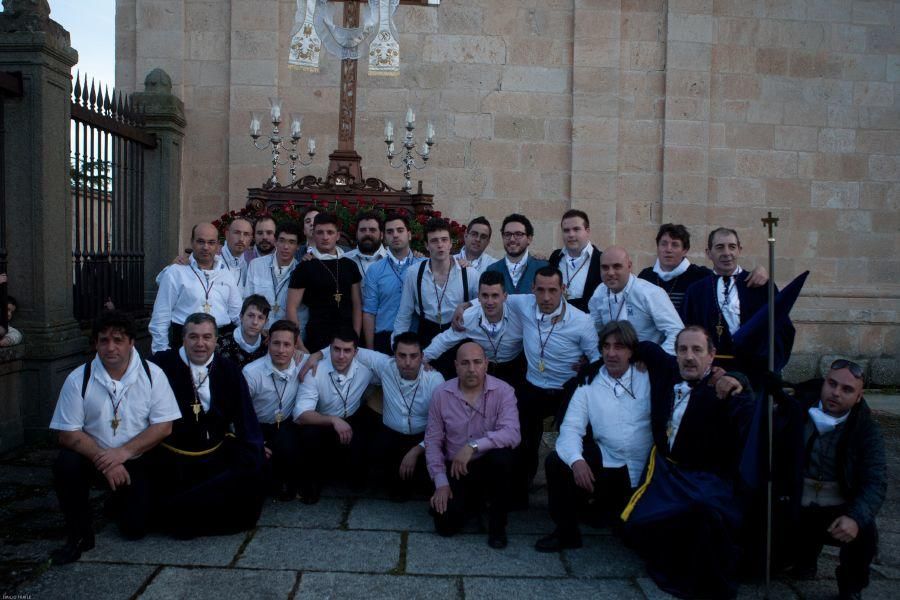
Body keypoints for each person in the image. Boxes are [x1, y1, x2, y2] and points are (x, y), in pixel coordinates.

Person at [621, 326, 756, 599]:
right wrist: (589, 369)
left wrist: (738, 380)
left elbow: (746, 405)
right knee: (633, 530)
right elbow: (639, 346)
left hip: (704, 478)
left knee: (700, 524)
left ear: (712, 355)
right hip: (666, 473)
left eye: (697, 350)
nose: (689, 357)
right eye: (683, 349)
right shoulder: (667, 370)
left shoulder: (721, 387)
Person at [453, 265, 601, 506]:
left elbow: (596, 359)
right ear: (532, 289)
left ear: (563, 290)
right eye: (540, 290)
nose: (545, 297)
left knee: (571, 440)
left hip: (567, 389)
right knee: (522, 442)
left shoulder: (582, 322)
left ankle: (574, 499)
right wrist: (465, 306)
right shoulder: (523, 303)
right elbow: (493, 296)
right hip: (533, 386)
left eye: (552, 290)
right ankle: (517, 495)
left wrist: (585, 368)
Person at [49, 311, 180, 564]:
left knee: (135, 529)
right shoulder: (79, 379)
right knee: (66, 463)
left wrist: (123, 454)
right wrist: (106, 459)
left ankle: (119, 502)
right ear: (95, 343)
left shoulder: (153, 375)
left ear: (131, 342)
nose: (110, 347)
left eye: (118, 340)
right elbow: (67, 433)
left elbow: (164, 426)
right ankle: (79, 533)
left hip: (136, 458)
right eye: (103, 340)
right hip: (93, 457)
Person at [536, 321, 652, 552]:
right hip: (609, 464)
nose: (611, 353)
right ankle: (567, 533)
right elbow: (570, 428)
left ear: (631, 350)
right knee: (557, 462)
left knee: (636, 541)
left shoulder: (648, 376)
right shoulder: (588, 384)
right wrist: (576, 461)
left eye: (619, 346)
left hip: (647, 474)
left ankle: (611, 512)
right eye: (606, 346)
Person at [148, 313, 265, 538]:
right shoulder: (161, 365)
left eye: (207, 337)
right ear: (182, 339)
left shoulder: (229, 370)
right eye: (193, 337)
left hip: (214, 453)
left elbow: (245, 417)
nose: (200, 344)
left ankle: (186, 517)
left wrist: (254, 448)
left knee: (251, 473)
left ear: (216, 340)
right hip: (173, 458)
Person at [784, 360, 885, 600]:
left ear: (859, 397)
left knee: (864, 532)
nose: (836, 393)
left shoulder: (866, 430)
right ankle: (803, 557)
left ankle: (851, 587)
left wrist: (855, 517)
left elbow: (876, 482)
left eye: (847, 389)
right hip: (795, 505)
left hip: (837, 510)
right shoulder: (797, 411)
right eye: (832, 384)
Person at [305, 331, 445, 500]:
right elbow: (348, 347)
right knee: (397, 495)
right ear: (394, 355)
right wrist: (317, 354)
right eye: (402, 355)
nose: (407, 362)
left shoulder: (435, 380)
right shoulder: (386, 365)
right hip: (392, 437)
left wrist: (416, 450)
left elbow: (440, 426)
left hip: (423, 440)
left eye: (414, 356)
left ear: (422, 357)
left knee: (423, 487)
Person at [425, 342, 520, 549]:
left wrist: (473, 446)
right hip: (457, 469)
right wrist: (440, 482)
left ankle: (497, 526)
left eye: (477, 362)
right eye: (465, 363)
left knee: (503, 457)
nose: (471, 369)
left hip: (489, 465)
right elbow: (432, 442)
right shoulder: (441, 394)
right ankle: (470, 505)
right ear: (456, 365)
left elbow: (512, 433)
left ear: (486, 363)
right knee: (445, 527)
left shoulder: (503, 391)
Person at [680, 227, 792, 373]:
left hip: (753, 370)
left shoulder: (761, 286)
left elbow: (781, 328)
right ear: (708, 253)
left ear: (739, 249)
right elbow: (687, 330)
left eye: (732, 247)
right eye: (720, 247)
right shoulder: (696, 291)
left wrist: (770, 366)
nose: (727, 253)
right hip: (710, 370)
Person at [293, 329, 379, 504]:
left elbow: (395, 368)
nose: (341, 356)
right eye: (336, 349)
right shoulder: (314, 370)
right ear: (329, 349)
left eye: (347, 350)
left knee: (370, 427)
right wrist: (333, 420)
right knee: (309, 434)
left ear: (356, 352)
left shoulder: (366, 370)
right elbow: (300, 414)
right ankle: (312, 482)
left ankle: (354, 474)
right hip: (322, 422)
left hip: (352, 420)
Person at [149, 222, 242, 354]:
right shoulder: (176, 272)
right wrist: (160, 351)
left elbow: (237, 314)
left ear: (218, 246)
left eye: (211, 242)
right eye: (200, 241)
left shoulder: (226, 274)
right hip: (185, 341)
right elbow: (161, 315)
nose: (206, 247)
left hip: (221, 344)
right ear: (192, 242)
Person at [242, 320, 309, 501]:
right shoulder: (251, 373)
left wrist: (315, 356)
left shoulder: (303, 364)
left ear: (295, 346)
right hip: (258, 427)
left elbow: (327, 356)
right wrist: (254, 442)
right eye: (276, 343)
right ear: (268, 342)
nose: (281, 350)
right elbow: (240, 413)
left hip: (285, 425)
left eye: (287, 345)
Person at [638, 224, 768, 313]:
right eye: (664, 244)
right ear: (657, 247)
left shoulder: (701, 276)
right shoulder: (645, 276)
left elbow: (729, 274)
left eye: (675, 245)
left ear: (685, 250)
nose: (668, 250)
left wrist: (760, 270)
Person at [424, 270, 524, 384]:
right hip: (483, 369)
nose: (490, 302)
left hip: (514, 366)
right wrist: (422, 359)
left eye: (495, 296)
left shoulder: (520, 315)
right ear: (478, 297)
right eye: (485, 296)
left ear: (505, 296)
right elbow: (444, 340)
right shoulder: (467, 317)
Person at [393, 218, 478, 350]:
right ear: (427, 245)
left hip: (459, 335)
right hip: (426, 336)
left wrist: (466, 305)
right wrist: (397, 346)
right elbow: (404, 313)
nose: (440, 245)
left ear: (450, 243)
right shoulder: (414, 273)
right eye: (434, 241)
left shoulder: (469, 273)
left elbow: (481, 305)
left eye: (444, 240)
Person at [286, 212, 362, 352]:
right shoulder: (304, 267)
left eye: (330, 232)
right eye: (320, 232)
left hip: (347, 339)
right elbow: (291, 308)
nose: (325, 237)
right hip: (317, 337)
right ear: (313, 235)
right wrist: (300, 345)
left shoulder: (350, 265)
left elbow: (357, 305)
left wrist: (356, 338)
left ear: (337, 236)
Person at [587, 246, 683, 354]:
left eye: (617, 266)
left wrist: (657, 359)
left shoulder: (650, 293)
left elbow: (677, 332)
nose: (610, 273)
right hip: (612, 362)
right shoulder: (599, 293)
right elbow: (594, 332)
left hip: (645, 366)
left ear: (629, 266)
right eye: (605, 267)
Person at [362, 212, 424, 353]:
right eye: (390, 231)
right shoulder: (375, 270)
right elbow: (369, 312)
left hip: (416, 337)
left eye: (400, 230)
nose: (395, 235)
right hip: (384, 337)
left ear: (409, 234)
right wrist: (371, 350)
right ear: (383, 237)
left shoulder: (423, 265)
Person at [246, 221, 301, 326]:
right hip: (258, 329)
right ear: (275, 242)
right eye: (282, 241)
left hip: (285, 334)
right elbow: (248, 300)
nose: (286, 246)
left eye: (291, 242)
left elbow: (301, 312)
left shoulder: (301, 271)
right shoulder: (256, 265)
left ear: (298, 246)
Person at [548, 209, 603, 312]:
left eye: (576, 229)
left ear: (587, 231)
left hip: (587, 324)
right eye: (566, 230)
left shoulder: (601, 260)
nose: (571, 234)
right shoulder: (555, 257)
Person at [485, 214, 548, 294]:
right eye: (507, 234)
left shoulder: (543, 267)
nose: (512, 239)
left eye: (518, 234)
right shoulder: (492, 270)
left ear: (529, 239)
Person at [215, 295, 270, 367]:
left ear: (265, 322)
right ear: (241, 316)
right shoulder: (220, 344)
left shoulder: (268, 346)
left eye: (260, 317)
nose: (255, 322)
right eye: (250, 315)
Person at [344, 211, 387, 283]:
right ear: (356, 234)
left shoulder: (392, 261)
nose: (367, 234)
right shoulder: (344, 260)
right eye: (363, 230)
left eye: (372, 230)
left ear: (381, 235)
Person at [219, 217, 253, 289]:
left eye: (246, 234)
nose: (241, 239)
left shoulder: (252, 264)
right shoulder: (213, 259)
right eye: (237, 233)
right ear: (227, 235)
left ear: (251, 239)